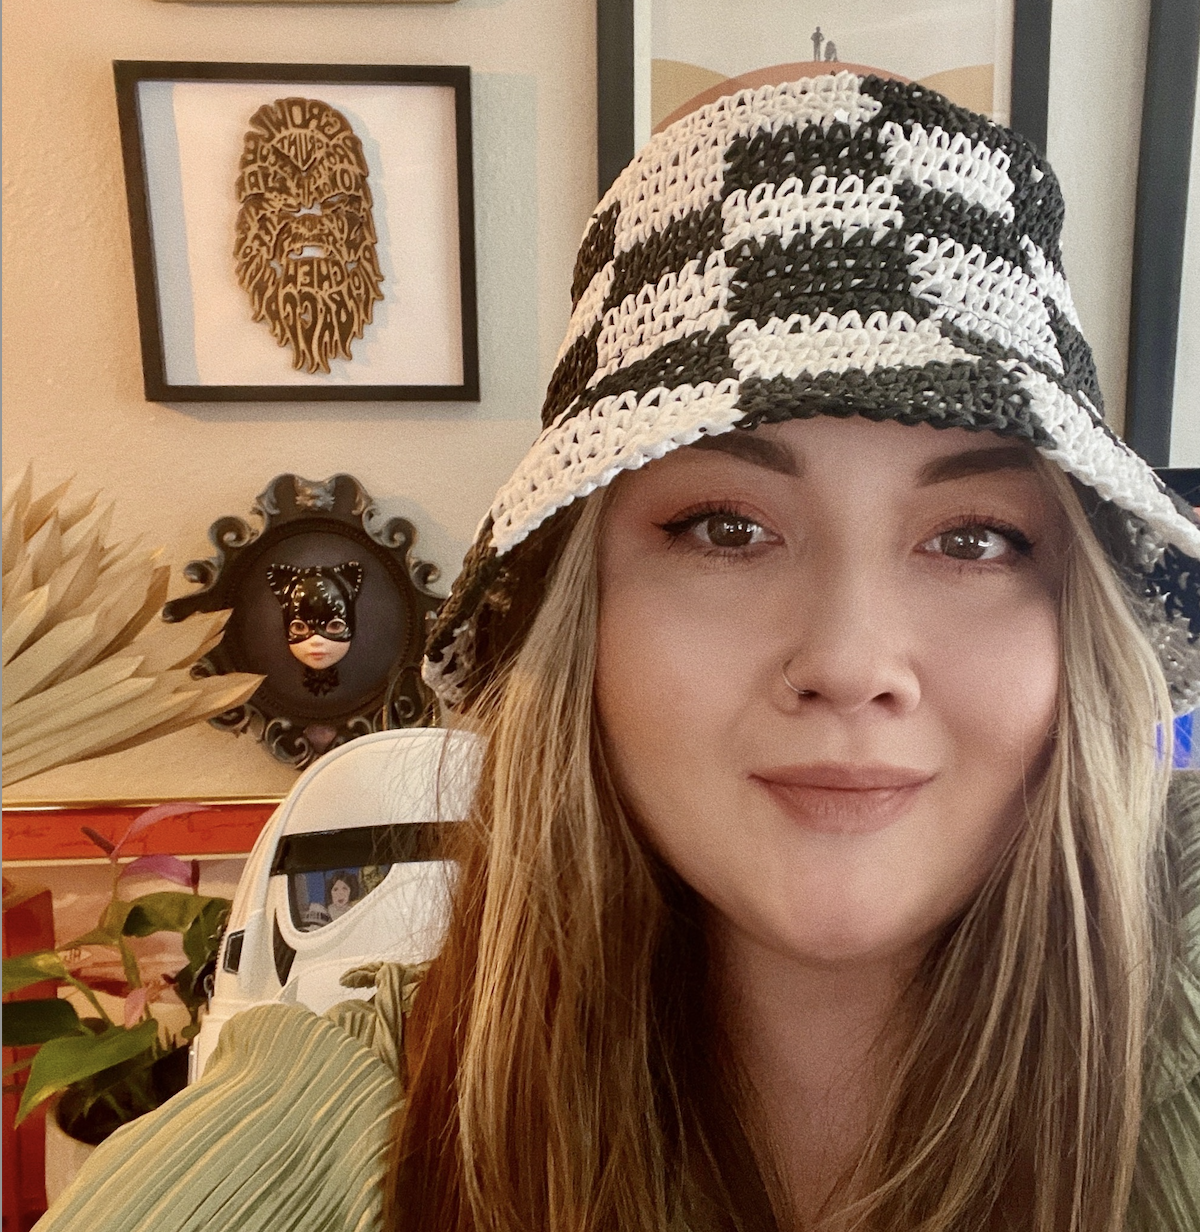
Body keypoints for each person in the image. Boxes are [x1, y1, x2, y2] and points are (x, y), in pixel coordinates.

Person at [38, 73, 1200, 1232]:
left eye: (976, 537)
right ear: (577, 614)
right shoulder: (345, 1136)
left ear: (1073, 624)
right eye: (726, 528)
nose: (852, 661)